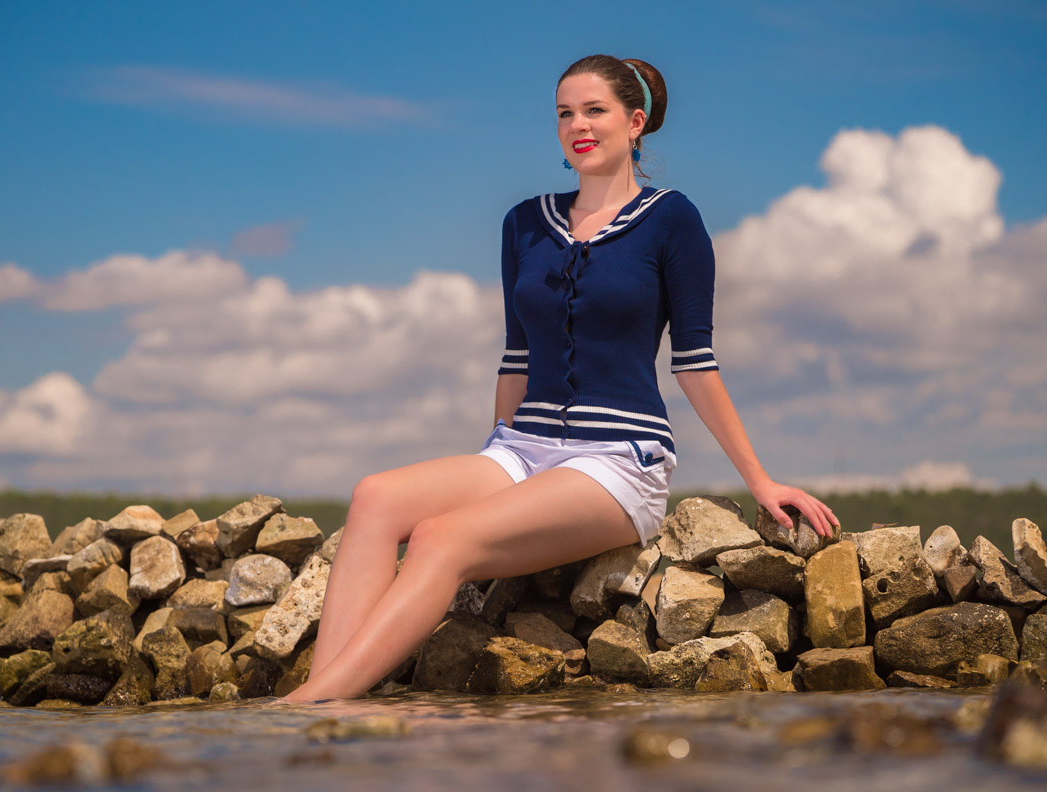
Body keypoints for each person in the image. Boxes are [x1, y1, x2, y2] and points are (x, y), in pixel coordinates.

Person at [282, 53, 839, 704]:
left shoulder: (672, 219)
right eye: (564, 113)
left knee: (441, 537)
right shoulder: (523, 222)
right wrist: (497, 444)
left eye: (595, 110)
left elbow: (695, 362)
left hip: (617, 459)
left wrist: (760, 480)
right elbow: (516, 355)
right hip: (522, 448)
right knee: (375, 496)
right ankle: (327, 702)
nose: (578, 124)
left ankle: (306, 708)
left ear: (636, 123)